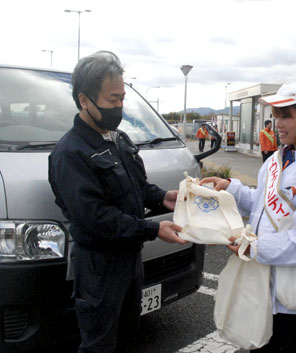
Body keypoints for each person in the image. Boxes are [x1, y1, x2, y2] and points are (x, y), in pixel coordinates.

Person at [48, 51, 187, 353]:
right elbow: (95, 218)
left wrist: (164, 197)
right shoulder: (70, 153)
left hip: (130, 261)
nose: (120, 106)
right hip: (98, 268)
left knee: (128, 337)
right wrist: (152, 230)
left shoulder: (119, 139)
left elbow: (137, 187)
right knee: (99, 345)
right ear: (85, 100)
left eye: (123, 97)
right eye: (112, 100)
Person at [200, 77, 296, 352]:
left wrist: (252, 246)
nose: (278, 123)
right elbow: (262, 205)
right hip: (262, 286)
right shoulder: (277, 159)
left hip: (290, 299)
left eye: (286, 116)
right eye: (276, 115)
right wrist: (231, 189)